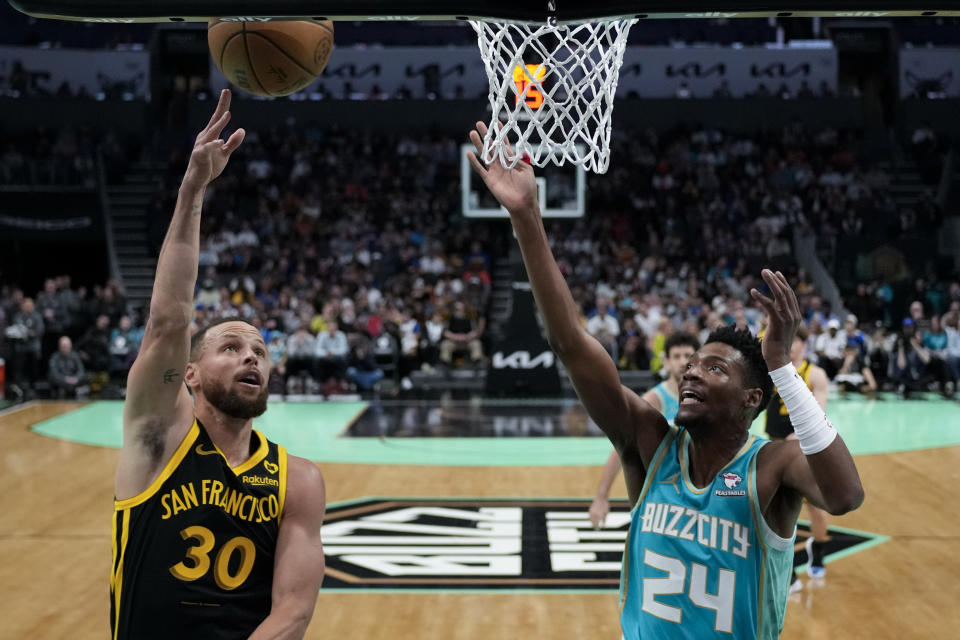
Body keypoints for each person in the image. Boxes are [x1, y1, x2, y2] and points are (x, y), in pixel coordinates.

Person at [467, 121, 863, 639]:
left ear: (751, 399)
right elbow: (570, 342)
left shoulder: (772, 465)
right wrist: (526, 217)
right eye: (693, 362)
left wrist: (782, 365)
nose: (692, 371)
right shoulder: (651, 444)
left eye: (714, 367)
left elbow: (846, 495)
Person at [111, 91, 325, 640]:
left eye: (258, 349)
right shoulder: (157, 438)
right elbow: (168, 320)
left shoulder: (297, 480)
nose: (251, 355)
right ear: (190, 373)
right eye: (230, 346)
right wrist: (192, 192)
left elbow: (294, 611)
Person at [589, 332, 700, 530]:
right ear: (666, 361)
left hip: (697, 489)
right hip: (662, 490)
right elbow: (621, 448)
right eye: (677, 356)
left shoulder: (705, 397)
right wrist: (601, 496)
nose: (683, 361)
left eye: (688, 356)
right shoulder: (654, 400)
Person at [764, 325, 831, 593]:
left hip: (803, 449)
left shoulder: (815, 374)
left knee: (814, 505)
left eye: (795, 341)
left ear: (804, 345)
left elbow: (820, 412)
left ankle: (820, 549)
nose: (790, 346)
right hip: (774, 446)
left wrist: (798, 437)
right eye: (786, 341)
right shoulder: (770, 372)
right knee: (773, 506)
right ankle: (786, 570)